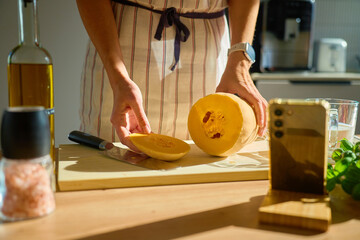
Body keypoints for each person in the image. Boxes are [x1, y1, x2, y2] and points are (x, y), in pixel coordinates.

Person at [76, 0, 267, 152]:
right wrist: (118, 79)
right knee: (111, 160)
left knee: (201, 169)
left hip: (210, 49)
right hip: (121, 44)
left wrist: (240, 62)